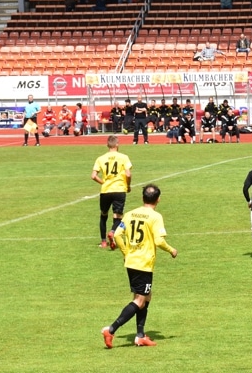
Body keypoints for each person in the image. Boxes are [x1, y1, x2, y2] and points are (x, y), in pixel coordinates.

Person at [102, 184, 178, 348]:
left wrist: (126, 252)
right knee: (140, 300)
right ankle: (111, 329)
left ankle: (140, 335)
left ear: (143, 197)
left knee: (146, 295)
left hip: (131, 261)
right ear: (158, 199)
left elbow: (117, 234)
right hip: (143, 263)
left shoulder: (130, 214)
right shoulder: (155, 216)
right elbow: (159, 241)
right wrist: (171, 250)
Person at [93, 135, 132, 250]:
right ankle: (112, 232)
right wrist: (128, 185)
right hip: (119, 189)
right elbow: (128, 174)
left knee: (103, 215)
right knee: (118, 216)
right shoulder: (124, 157)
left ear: (107, 145)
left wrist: (103, 182)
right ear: (117, 144)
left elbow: (93, 176)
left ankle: (104, 242)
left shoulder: (101, 158)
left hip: (105, 190)